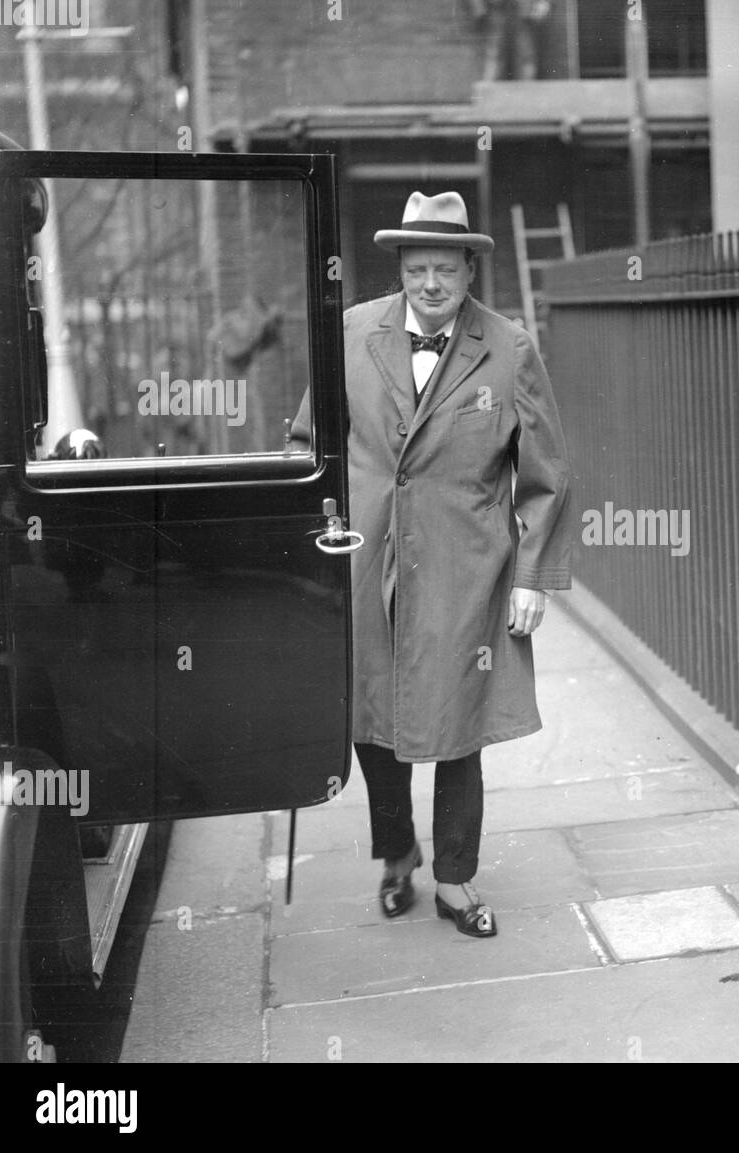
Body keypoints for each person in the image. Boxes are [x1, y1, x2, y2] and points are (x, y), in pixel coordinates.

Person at [290, 190, 572, 937]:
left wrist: (534, 578)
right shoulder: (351, 332)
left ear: (469, 268)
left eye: (446, 269)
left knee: (459, 727)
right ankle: (396, 854)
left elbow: (547, 474)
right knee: (372, 721)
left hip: (465, 569)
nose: (432, 285)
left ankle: (455, 878)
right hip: (364, 562)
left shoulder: (509, 348)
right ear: (400, 268)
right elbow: (305, 446)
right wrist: (309, 536)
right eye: (418, 270)